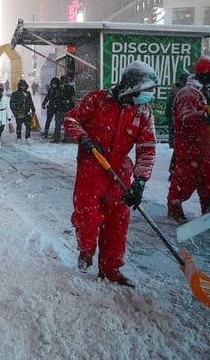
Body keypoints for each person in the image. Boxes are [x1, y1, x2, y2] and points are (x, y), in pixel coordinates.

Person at [63, 60, 158, 287]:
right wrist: (85, 139)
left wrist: (140, 182)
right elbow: (71, 119)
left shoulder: (143, 112)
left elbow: (147, 149)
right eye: (147, 91)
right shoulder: (96, 100)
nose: (149, 97)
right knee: (88, 216)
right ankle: (86, 250)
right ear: (132, 87)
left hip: (120, 171)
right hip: (91, 168)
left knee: (118, 223)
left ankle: (111, 269)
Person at [167, 58, 210, 223]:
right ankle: (174, 208)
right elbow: (184, 117)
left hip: (204, 145)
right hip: (189, 145)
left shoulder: (204, 90)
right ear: (207, 73)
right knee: (184, 178)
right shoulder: (188, 93)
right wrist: (202, 116)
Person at [165, 73, 189, 149]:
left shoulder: (176, 91)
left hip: (175, 119)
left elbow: (169, 109)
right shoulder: (185, 91)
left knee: (174, 138)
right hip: (179, 120)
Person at [51, 72, 76, 143]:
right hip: (69, 108)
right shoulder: (71, 88)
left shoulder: (60, 88)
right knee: (67, 124)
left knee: (58, 124)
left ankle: (57, 138)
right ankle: (67, 138)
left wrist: (57, 105)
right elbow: (72, 97)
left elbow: (57, 98)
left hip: (61, 109)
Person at [9, 79, 37, 143]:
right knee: (19, 126)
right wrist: (15, 113)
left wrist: (33, 109)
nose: (23, 87)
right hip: (19, 112)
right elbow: (12, 104)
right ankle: (18, 137)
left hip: (27, 112)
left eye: (24, 85)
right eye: (22, 86)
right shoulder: (15, 94)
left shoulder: (28, 93)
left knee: (28, 126)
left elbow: (31, 102)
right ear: (19, 86)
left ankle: (28, 137)